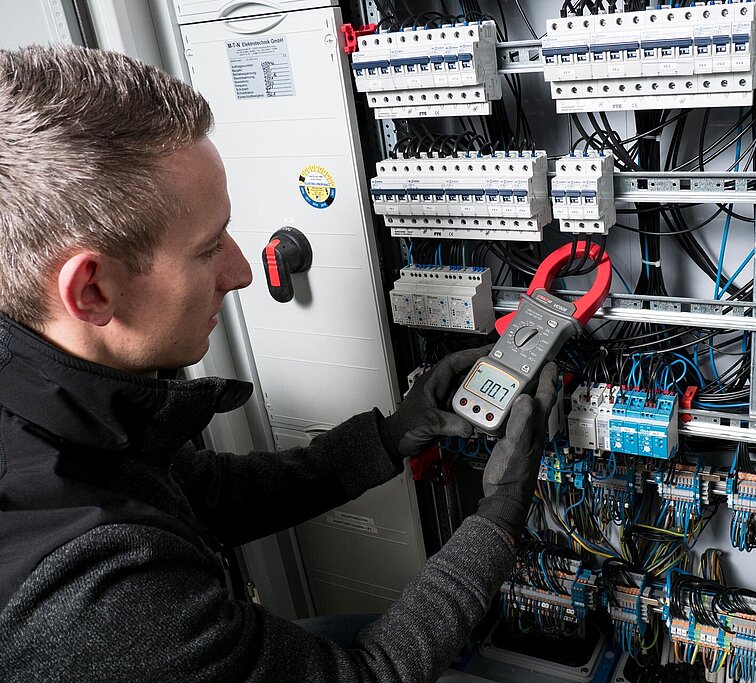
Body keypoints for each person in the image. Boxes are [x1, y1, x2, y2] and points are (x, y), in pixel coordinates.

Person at [0, 44, 556, 682]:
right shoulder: (89, 597)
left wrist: (394, 434)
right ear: (92, 290)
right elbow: (367, 676)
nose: (241, 273)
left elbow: (204, 494)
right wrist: (500, 516)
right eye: (209, 249)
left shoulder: (50, 394)